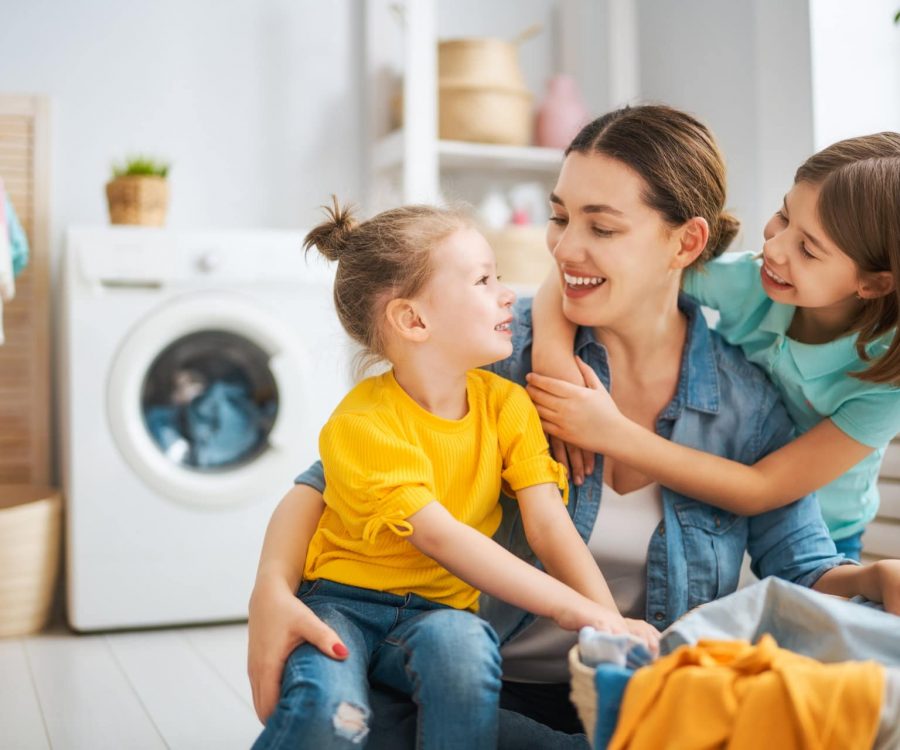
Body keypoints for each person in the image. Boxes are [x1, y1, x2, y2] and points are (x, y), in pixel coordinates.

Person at [249, 106, 900, 748]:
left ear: (687, 243)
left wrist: (873, 577)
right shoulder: (497, 350)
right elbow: (331, 478)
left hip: (627, 697)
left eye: (603, 227)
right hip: (472, 682)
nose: (563, 246)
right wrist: (272, 596)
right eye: (560, 216)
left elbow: (803, 562)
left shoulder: (747, 405)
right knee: (362, 712)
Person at [251, 199, 654, 750]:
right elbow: (440, 535)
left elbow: (548, 525)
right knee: (332, 713)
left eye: (500, 277)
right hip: (342, 603)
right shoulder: (361, 423)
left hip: (441, 615)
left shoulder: (507, 405)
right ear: (413, 320)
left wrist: (606, 624)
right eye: (484, 280)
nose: (506, 293)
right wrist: (571, 608)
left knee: (464, 654)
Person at [528, 132, 900, 561]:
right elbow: (586, 271)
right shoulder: (749, 280)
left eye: (808, 250)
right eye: (783, 216)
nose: (773, 249)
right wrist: (553, 359)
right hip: (716, 511)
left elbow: (760, 489)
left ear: (873, 283)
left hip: (822, 535)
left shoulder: (887, 383)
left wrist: (611, 433)